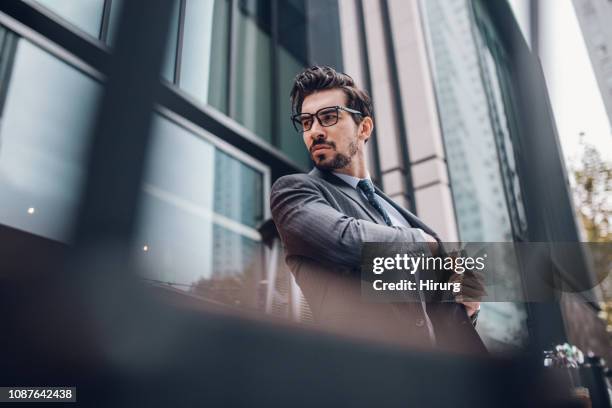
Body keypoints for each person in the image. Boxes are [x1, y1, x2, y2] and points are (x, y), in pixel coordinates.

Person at [270, 66, 485, 353]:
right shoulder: (294, 193)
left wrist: (467, 304)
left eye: (329, 117)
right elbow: (344, 239)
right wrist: (425, 245)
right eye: (306, 122)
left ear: (364, 127)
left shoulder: (395, 214)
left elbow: (429, 307)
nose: (315, 131)